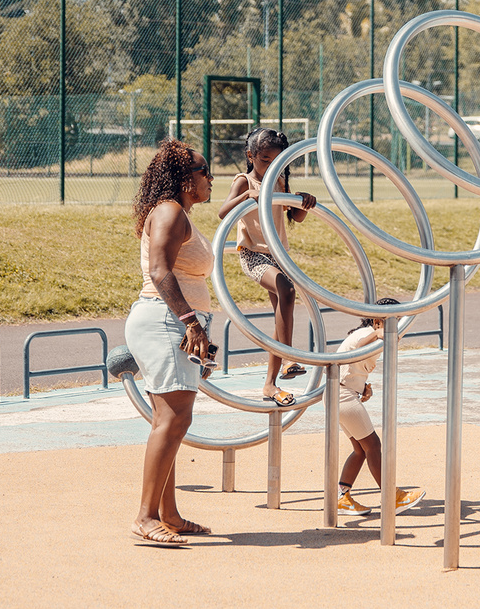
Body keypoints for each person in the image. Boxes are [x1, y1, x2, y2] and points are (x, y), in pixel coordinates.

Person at [125, 138, 217, 546]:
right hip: (165, 322)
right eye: (204, 171)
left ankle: (170, 515)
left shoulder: (181, 213)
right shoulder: (168, 211)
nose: (210, 178)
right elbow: (162, 272)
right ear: (185, 178)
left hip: (172, 323)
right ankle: (145, 517)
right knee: (174, 419)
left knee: (171, 419)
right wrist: (190, 323)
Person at [217, 128, 316, 406]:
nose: (271, 166)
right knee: (287, 290)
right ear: (250, 156)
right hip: (253, 254)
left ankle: (270, 385)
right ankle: (288, 359)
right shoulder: (244, 181)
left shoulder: (279, 181)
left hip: (278, 254)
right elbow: (223, 212)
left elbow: (295, 216)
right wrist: (247, 196)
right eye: (264, 159)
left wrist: (304, 202)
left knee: (281, 311)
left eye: (277, 161)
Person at [335, 297, 425, 517]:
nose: (397, 328)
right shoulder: (365, 335)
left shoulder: (369, 336)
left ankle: (342, 498)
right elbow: (356, 348)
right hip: (342, 394)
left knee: (360, 450)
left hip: (343, 392)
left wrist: (363, 385)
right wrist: (377, 334)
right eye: (394, 322)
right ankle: (391, 496)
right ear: (377, 321)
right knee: (373, 445)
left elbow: (352, 362)